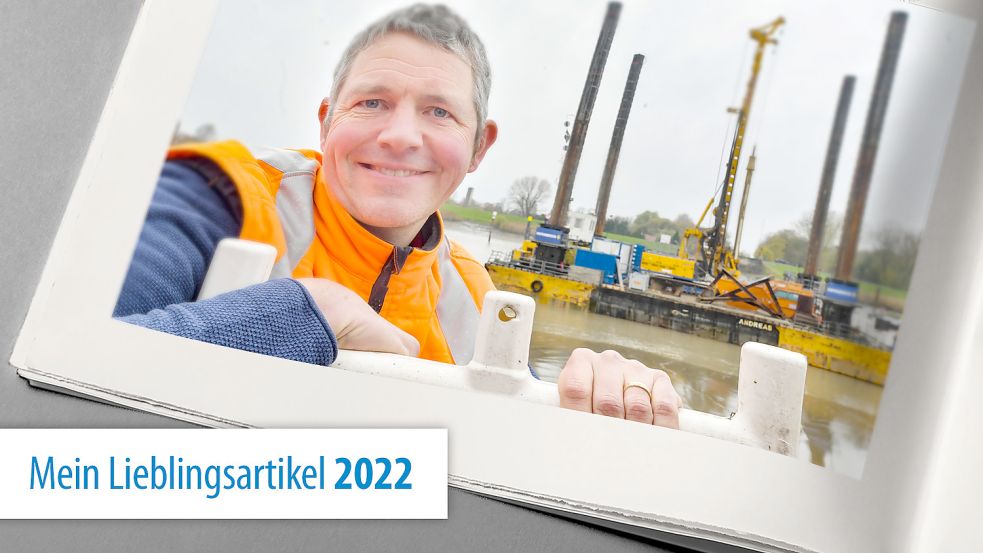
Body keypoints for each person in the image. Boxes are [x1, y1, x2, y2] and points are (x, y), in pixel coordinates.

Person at [114, 3, 682, 428]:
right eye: (371, 102)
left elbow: (520, 451)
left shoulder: (475, 297)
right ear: (326, 119)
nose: (399, 136)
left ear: (479, 148)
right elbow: (56, 373)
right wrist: (307, 315)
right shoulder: (216, 198)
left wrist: (601, 394)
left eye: (439, 112)